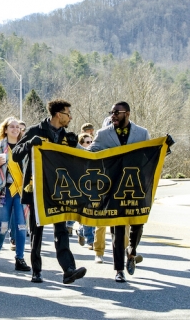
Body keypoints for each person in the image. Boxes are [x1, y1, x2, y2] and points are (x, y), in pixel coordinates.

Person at [12, 99, 87, 284]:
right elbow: (15, 154)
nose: (70, 117)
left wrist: (73, 147)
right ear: (58, 114)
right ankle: (36, 271)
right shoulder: (35, 130)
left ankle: (68, 269)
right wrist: (29, 143)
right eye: (68, 114)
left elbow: (81, 159)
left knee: (61, 230)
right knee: (36, 232)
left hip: (58, 190)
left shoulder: (66, 136)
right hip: (36, 189)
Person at [89, 101, 150, 283]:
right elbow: (90, 155)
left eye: (116, 112)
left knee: (138, 223)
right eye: (111, 112)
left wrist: (165, 148)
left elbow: (150, 156)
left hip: (136, 187)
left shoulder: (142, 133)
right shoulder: (102, 134)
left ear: (127, 113)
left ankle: (132, 249)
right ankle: (119, 269)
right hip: (113, 188)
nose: (112, 115)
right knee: (117, 229)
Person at [0, 117, 31, 272]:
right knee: (3, 226)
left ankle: (20, 258)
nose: (15, 129)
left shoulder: (25, 147)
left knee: (21, 226)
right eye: (12, 126)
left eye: (18, 127)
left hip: (21, 191)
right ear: (5, 129)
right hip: (3, 191)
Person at [75, 133, 95, 249]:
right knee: (87, 213)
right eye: (87, 142)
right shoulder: (78, 156)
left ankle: (82, 232)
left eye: (91, 142)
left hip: (94, 188)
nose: (90, 144)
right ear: (81, 144)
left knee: (93, 213)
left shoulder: (96, 154)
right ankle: (90, 239)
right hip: (81, 188)